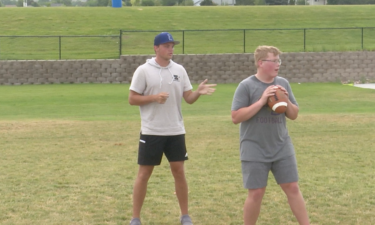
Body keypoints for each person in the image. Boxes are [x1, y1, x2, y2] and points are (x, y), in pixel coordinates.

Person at [128, 32, 216, 225]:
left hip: (175, 130)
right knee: (144, 174)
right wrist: (153, 97)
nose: (171, 49)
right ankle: (135, 218)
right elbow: (132, 99)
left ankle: (185, 216)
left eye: (172, 46)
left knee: (179, 171)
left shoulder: (179, 70)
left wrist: (198, 93)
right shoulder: (143, 70)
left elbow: (189, 99)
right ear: (156, 48)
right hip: (151, 131)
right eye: (166, 46)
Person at [231, 46, 310, 225]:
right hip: (254, 147)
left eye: (278, 61)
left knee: (292, 187)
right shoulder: (246, 86)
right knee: (256, 192)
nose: (277, 65)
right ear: (260, 63)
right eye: (273, 61)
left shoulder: (283, 83)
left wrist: (286, 101)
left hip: (281, 145)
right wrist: (261, 100)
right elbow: (236, 117)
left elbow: (294, 114)